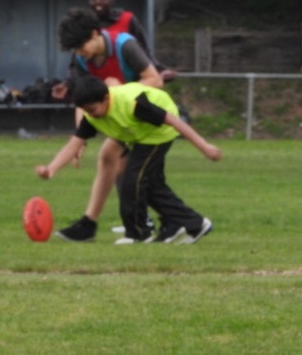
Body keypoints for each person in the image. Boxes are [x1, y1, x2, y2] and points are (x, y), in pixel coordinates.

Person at [36, 76, 221, 244]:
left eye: (92, 109)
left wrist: (204, 147)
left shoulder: (134, 104)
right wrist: (51, 169)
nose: (90, 114)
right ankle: (195, 224)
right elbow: (74, 143)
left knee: (132, 180)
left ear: (106, 99)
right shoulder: (91, 115)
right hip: (136, 133)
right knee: (151, 186)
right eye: (85, 110)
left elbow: (174, 121)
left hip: (158, 133)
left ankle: (139, 234)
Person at [51, 7, 163, 242]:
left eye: (81, 46)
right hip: (121, 116)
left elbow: (155, 79)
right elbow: (83, 99)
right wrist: (80, 137)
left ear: (95, 33)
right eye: (75, 50)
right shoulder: (84, 59)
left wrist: (119, 92)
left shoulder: (125, 46)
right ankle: (95, 223)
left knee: (119, 162)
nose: (80, 53)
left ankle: (136, 221)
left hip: (145, 111)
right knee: (110, 159)